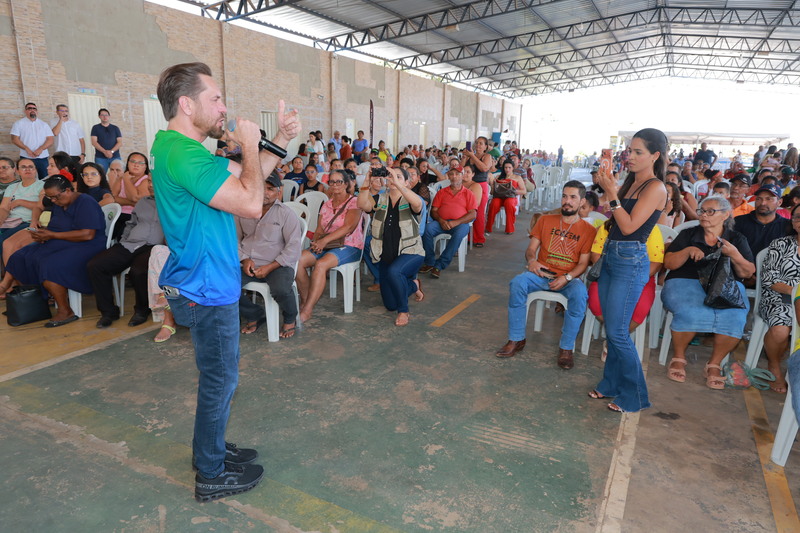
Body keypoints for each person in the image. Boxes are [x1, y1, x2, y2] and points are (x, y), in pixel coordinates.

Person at [151, 62, 300, 502]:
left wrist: (281, 139)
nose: (224, 107)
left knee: (216, 378)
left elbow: (241, 182)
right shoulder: (185, 153)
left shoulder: (178, 148)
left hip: (204, 281)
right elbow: (253, 204)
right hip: (206, 287)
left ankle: (208, 451)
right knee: (220, 381)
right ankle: (211, 474)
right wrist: (250, 145)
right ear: (186, 103)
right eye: (215, 98)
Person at [588, 128, 668, 413]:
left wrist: (612, 192)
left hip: (630, 260)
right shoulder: (632, 182)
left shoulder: (656, 187)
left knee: (619, 332)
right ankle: (610, 383)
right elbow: (612, 217)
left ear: (655, 156)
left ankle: (635, 396)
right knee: (612, 327)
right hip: (612, 255)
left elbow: (630, 226)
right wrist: (607, 185)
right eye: (629, 151)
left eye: (638, 152)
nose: (630, 156)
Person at [495, 180, 596, 369]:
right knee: (518, 283)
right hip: (541, 274)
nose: (567, 201)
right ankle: (516, 339)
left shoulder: (588, 230)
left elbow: (583, 264)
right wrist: (532, 261)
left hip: (568, 278)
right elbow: (531, 249)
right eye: (564, 196)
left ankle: (566, 348)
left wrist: (566, 278)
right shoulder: (545, 220)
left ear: (582, 202)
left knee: (580, 296)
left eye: (573, 197)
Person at [662, 196, 755, 389]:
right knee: (689, 311)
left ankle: (714, 364)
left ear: (725, 215)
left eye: (710, 211)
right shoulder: (689, 234)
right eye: (702, 211)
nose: (704, 215)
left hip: (725, 285)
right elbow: (669, 264)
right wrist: (688, 251)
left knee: (736, 316)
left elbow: (747, 273)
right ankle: (679, 357)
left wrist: (734, 254)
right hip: (685, 281)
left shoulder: (736, 239)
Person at [0, 176, 106, 325]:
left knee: (49, 264)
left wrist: (52, 235)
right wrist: (42, 234)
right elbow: (50, 220)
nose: (53, 201)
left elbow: (87, 234)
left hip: (86, 245)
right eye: (50, 198)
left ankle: (65, 310)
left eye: (55, 197)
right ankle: (33, 303)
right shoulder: (58, 201)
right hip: (60, 241)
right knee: (20, 256)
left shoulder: (86, 202)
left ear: (68, 190)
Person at [87, 178, 164, 328]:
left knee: (138, 271)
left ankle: (142, 310)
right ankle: (108, 312)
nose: (150, 185)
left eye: (154, 181)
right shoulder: (142, 202)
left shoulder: (174, 204)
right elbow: (131, 223)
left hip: (154, 247)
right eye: (149, 181)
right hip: (130, 244)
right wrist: (124, 240)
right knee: (95, 265)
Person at [358, 167, 425, 326]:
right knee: (390, 305)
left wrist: (399, 184)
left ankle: (404, 311)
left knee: (395, 272)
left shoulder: (411, 199)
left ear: (407, 182)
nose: (393, 179)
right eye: (391, 176)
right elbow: (362, 204)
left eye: (399, 176)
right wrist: (367, 180)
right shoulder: (380, 198)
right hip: (386, 254)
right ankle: (413, 285)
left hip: (411, 252)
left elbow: (417, 204)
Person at [238, 172, 303, 337]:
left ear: (278, 192)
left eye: (270, 189)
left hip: (277, 264)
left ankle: (290, 318)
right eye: (261, 188)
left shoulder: (286, 214)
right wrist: (244, 259)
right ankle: (254, 314)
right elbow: (233, 240)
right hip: (247, 264)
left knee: (280, 289)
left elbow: (294, 246)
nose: (265, 193)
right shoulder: (242, 211)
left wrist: (271, 266)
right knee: (223, 285)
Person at [296, 169, 363, 323]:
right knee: (297, 260)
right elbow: (320, 229)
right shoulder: (326, 204)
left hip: (350, 245)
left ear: (346, 184)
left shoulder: (354, 202)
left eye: (339, 181)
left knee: (321, 264)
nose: (334, 185)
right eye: (331, 181)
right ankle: (307, 300)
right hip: (326, 244)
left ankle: (307, 309)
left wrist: (323, 242)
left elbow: (348, 228)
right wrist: (317, 242)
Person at [588, 224, 664, 361]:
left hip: (642, 277)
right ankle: (617, 339)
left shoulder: (651, 228)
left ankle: (615, 340)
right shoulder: (607, 226)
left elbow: (656, 262)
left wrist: (635, 279)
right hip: (608, 274)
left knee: (639, 309)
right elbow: (596, 254)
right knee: (596, 302)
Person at [757, 202, 800, 394]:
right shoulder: (780, 244)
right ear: (794, 223)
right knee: (781, 331)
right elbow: (770, 279)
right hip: (778, 298)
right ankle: (774, 365)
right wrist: (797, 293)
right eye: (798, 217)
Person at [419, 165, 477, 278]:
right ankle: (430, 262)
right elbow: (434, 211)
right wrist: (441, 221)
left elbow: (472, 214)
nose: (454, 177)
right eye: (451, 174)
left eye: (457, 174)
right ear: (448, 176)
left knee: (459, 233)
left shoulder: (468, 193)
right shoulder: (442, 192)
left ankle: (440, 264)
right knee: (427, 230)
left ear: (462, 176)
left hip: (460, 224)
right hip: (442, 222)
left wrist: (456, 222)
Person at [734, 183, 790, 259]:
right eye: (759, 199)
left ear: (779, 202)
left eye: (768, 199)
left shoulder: (787, 226)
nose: (763, 203)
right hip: (744, 268)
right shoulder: (738, 222)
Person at [0, 158, 44, 252]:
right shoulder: (12, 187)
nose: (28, 169)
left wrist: (20, 202)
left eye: (31, 167)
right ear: (18, 171)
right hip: (9, 222)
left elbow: (42, 205)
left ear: (35, 170)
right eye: (23, 167)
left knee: (3, 241)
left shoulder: (43, 185)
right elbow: (4, 208)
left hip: (27, 222)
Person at [109, 152, 152, 240]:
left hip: (136, 216)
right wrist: (131, 203)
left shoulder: (146, 180)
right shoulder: (120, 179)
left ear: (145, 167)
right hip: (118, 214)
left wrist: (126, 179)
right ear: (128, 163)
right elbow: (112, 198)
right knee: (107, 234)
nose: (136, 165)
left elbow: (135, 198)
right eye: (133, 161)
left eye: (140, 163)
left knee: (122, 237)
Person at [460, 136, 493, 247]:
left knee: (479, 212)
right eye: (477, 143)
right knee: (466, 210)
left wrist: (472, 156)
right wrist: (465, 157)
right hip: (468, 184)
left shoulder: (487, 156)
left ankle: (479, 238)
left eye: (481, 143)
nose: (478, 145)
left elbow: (484, 168)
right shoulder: (470, 155)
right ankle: (468, 236)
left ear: (485, 146)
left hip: (481, 185)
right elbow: (461, 169)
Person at [10, 102, 54, 179]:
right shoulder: (18, 123)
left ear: (37, 111)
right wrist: (26, 149)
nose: (32, 110)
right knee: (26, 178)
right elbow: (14, 139)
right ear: (25, 111)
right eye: (29, 108)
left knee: (45, 179)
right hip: (25, 156)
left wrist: (41, 149)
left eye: (34, 108)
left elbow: (50, 139)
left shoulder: (44, 124)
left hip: (42, 157)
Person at [486, 160, 526, 235]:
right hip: (499, 197)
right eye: (505, 167)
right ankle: (488, 227)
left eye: (509, 167)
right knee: (494, 203)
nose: (507, 169)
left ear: (513, 168)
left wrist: (513, 191)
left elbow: (524, 191)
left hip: (511, 197)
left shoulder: (517, 177)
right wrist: (492, 185)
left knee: (509, 203)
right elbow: (493, 191)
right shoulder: (499, 177)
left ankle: (509, 228)